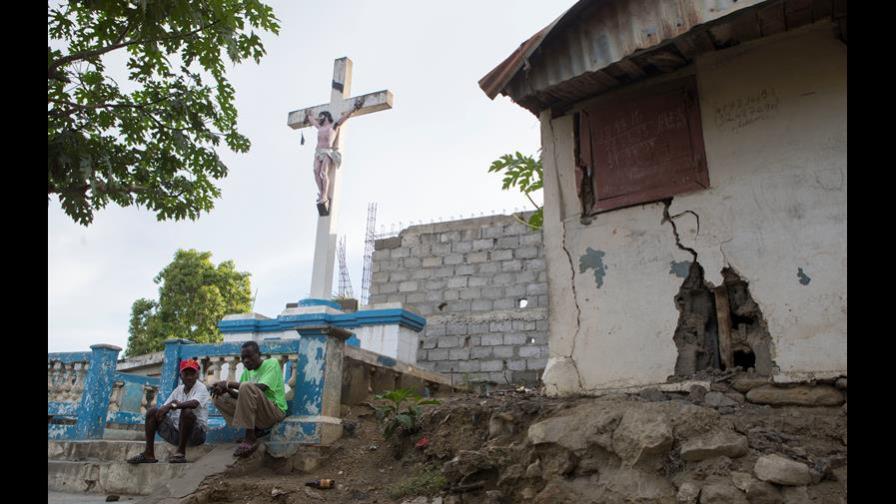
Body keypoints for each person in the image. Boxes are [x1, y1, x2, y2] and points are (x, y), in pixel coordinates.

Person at [210, 341, 288, 457]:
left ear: (259, 354)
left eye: (249, 356)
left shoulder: (272, 363)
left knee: (246, 386)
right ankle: (255, 430)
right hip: (258, 415)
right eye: (243, 358)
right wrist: (227, 391)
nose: (246, 360)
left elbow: (261, 387)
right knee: (218, 398)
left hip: (274, 412)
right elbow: (244, 396)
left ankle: (250, 437)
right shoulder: (247, 372)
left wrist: (228, 384)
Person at [127, 359, 210, 464]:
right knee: (152, 412)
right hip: (176, 434)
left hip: (196, 435)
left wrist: (173, 405)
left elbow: (194, 403)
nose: (189, 377)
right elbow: (163, 409)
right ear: (181, 376)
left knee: (187, 411)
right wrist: (162, 412)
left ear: (197, 375)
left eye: (192, 374)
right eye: (186, 374)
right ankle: (149, 453)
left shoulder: (201, 388)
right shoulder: (178, 390)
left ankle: (180, 453)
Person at [306, 98, 365, 207]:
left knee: (323, 173)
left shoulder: (334, 125)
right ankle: (322, 193)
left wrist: (354, 108)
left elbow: (345, 117)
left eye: (321, 116)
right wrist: (310, 114)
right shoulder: (320, 127)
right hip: (318, 152)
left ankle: (324, 196)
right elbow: (311, 119)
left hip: (327, 152)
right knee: (315, 171)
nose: (319, 118)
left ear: (326, 116)